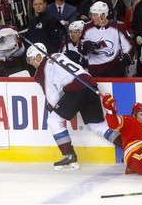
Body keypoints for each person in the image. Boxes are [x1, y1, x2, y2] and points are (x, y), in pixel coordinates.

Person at [25, 42, 122, 171]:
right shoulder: (57, 55)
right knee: (97, 125)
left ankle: (69, 156)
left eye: (31, 59)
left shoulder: (43, 68)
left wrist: (53, 106)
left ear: (38, 56)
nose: (31, 63)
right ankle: (130, 145)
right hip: (90, 85)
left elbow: (53, 95)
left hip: (76, 90)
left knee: (54, 120)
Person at [80, 1, 135, 77]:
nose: (92, 17)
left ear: (103, 15)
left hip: (113, 69)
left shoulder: (118, 26)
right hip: (94, 70)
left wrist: (126, 56)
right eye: (91, 15)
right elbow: (80, 45)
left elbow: (129, 46)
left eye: (95, 15)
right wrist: (84, 45)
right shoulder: (87, 27)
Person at [0, 7, 25, 77]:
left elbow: (22, 51)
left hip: (10, 65)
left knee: (22, 81)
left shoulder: (9, 29)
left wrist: (15, 49)